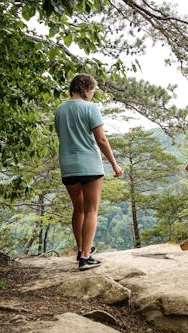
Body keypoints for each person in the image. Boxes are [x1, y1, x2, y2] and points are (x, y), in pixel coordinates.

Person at [55, 74, 122, 271]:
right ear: (85, 88)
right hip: (90, 165)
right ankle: (86, 256)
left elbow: (64, 136)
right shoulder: (90, 108)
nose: (92, 94)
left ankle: (80, 250)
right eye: (92, 90)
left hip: (68, 166)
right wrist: (114, 164)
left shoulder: (60, 110)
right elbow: (101, 139)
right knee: (91, 210)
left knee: (78, 209)